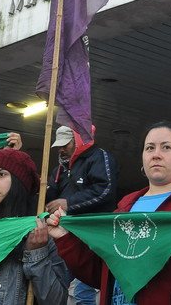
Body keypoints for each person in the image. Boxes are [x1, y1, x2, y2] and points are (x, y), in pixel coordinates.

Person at [47, 121, 171, 305]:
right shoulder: (124, 206)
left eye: (166, 147)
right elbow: (101, 273)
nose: (156, 155)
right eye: (150, 148)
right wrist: (64, 238)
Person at [0, 148, 70, 304]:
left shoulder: (43, 232)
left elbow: (57, 301)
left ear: (20, 182)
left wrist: (37, 254)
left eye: (1, 174)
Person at [45, 125, 118, 304]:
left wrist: (69, 203)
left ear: (78, 140)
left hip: (93, 240)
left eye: (66, 144)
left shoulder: (99, 157)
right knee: (60, 288)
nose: (61, 149)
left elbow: (104, 189)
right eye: (59, 145)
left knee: (81, 291)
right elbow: (47, 199)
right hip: (64, 240)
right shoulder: (59, 171)